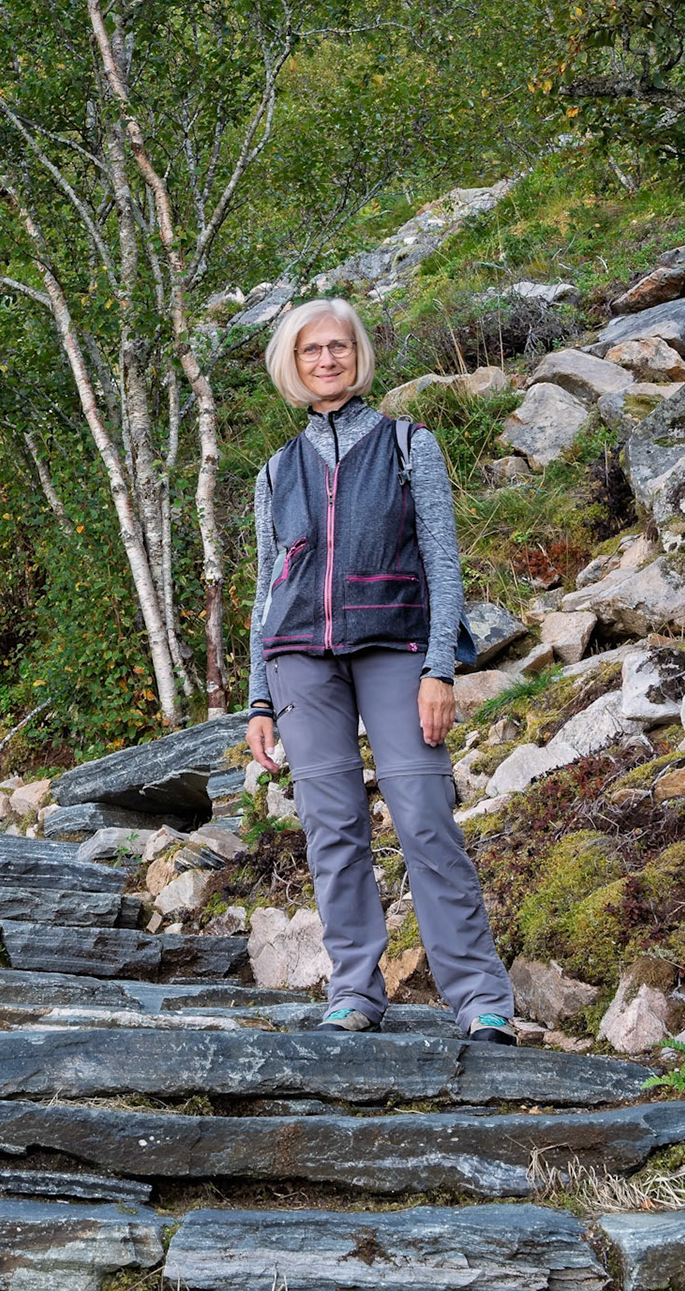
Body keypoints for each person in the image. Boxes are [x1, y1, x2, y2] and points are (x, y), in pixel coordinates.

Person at [243, 297, 516, 1045]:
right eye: (311, 351)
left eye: (338, 346)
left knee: (425, 819)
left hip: (396, 647)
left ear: (358, 356)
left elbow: (443, 563)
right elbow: (269, 587)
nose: (327, 359)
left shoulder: (406, 444)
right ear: (292, 367)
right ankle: (355, 991)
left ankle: (480, 996)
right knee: (331, 829)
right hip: (299, 660)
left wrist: (440, 667)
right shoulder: (276, 470)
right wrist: (257, 697)